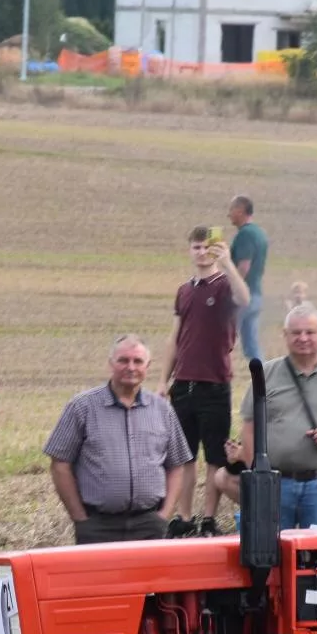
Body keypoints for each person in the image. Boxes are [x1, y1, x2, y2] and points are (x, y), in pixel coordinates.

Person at [230, 304, 317, 530]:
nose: (303, 338)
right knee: (272, 555)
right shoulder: (266, 373)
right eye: (296, 333)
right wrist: (255, 473)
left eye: (310, 332)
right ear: (285, 336)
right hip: (274, 483)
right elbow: (249, 425)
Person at [47, 336, 193, 544]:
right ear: (110, 364)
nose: (131, 367)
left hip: (149, 526)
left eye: (138, 361)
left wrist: (164, 516)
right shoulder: (82, 407)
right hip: (98, 527)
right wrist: (80, 518)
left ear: (148, 366)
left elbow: (177, 466)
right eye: (123, 360)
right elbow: (60, 464)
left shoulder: (162, 410)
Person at [159, 226, 248, 537]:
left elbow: (244, 298)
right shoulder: (184, 291)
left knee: (214, 456)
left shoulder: (224, 286)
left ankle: (208, 518)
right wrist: (162, 379)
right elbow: (175, 337)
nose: (201, 253)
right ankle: (184, 516)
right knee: (184, 456)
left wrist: (228, 264)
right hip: (184, 384)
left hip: (215, 384)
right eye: (196, 247)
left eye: (206, 247)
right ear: (190, 250)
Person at [228, 194, 269, 360]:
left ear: (240, 211)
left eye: (231, 210)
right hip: (256, 294)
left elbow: (244, 266)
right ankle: (265, 379)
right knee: (251, 347)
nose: (228, 214)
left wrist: (231, 291)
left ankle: (218, 381)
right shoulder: (259, 233)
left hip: (243, 297)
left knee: (224, 340)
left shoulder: (245, 234)